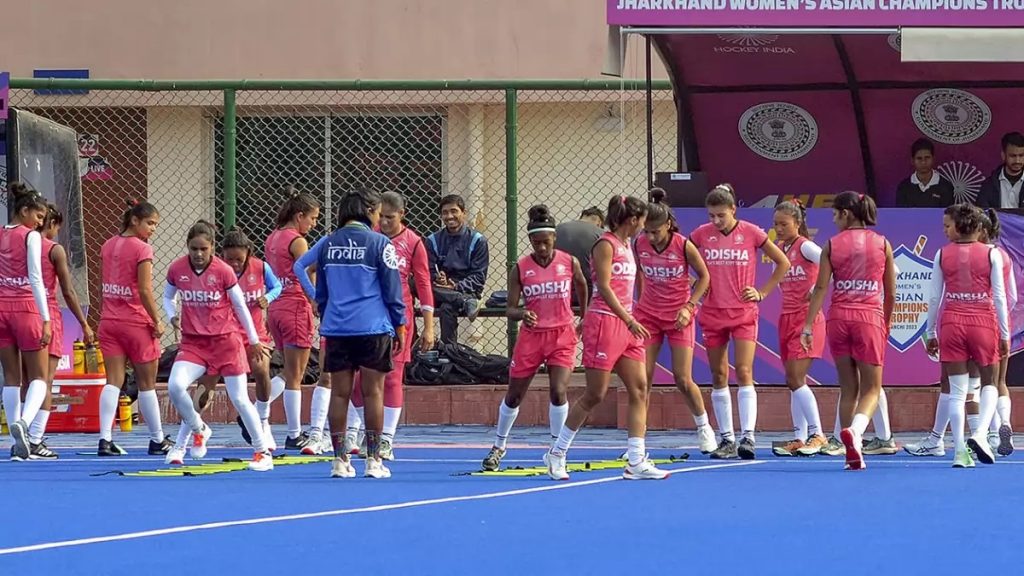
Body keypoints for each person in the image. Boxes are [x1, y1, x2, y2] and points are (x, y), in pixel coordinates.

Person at [545, 194, 669, 481]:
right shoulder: (605, 245)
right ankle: (557, 452)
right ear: (633, 219)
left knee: (639, 389)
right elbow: (603, 286)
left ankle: (636, 460)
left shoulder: (630, 245)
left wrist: (633, 318)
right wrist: (628, 319)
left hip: (628, 327)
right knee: (595, 394)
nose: (644, 227)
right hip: (606, 324)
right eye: (642, 221)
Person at [295, 188, 407, 479]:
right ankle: (373, 460)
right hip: (372, 328)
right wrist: (400, 324)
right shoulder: (381, 243)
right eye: (378, 213)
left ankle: (339, 460)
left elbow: (309, 276)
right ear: (369, 211)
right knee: (373, 393)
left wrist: (321, 305)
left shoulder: (328, 243)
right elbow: (392, 290)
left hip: (337, 329)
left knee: (340, 394)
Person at [482, 205, 588, 472]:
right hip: (532, 337)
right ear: (530, 241)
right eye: (536, 242)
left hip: (562, 334)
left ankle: (555, 450)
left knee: (559, 390)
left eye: (546, 242)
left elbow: (582, 284)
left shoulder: (568, 261)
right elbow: (510, 308)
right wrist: (522, 314)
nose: (542, 248)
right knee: (515, 395)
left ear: (554, 239)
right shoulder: (521, 268)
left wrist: (584, 317)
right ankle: (499, 445)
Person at [690, 184, 790, 460]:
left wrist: (762, 292)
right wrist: (695, 284)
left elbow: (782, 262)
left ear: (733, 210)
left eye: (721, 215)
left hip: (743, 313)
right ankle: (726, 439)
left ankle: (748, 436)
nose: (716, 221)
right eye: (711, 215)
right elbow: (682, 258)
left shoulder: (751, 232)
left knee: (744, 370)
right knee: (718, 374)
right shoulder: (700, 234)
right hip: (712, 313)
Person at [162, 221, 272, 471]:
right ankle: (198, 430)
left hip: (226, 343)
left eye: (203, 249)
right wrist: (172, 315)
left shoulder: (223, 271)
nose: (198, 254)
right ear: (187, 247)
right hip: (194, 344)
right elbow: (168, 296)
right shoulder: (177, 269)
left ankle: (262, 451)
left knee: (240, 399)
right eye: (194, 249)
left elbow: (240, 307)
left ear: (212, 248)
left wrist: (254, 340)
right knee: (176, 387)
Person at [801, 191, 896, 470]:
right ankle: (855, 432)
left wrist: (808, 325)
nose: (833, 219)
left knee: (848, 388)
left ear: (846, 213)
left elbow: (820, 287)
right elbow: (890, 292)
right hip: (869, 318)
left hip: (838, 319)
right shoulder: (882, 243)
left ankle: (849, 453)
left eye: (834, 214)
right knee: (872, 388)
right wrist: (885, 322)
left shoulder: (832, 244)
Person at [346, 191, 436, 461]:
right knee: (358, 378)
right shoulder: (369, 237)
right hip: (367, 314)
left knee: (393, 377)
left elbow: (423, 284)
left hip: (398, 316)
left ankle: (385, 439)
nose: (384, 222)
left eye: (390, 217)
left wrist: (429, 326)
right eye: (381, 216)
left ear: (401, 215)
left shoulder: (414, 242)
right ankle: (363, 430)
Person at [632, 189, 716, 455]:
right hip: (648, 317)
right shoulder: (638, 243)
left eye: (655, 231)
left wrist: (689, 306)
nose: (651, 237)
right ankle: (638, 443)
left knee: (682, 378)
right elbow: (639, 276)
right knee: (641, 380)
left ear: (667, 225)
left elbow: (704, 277)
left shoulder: (683, 245)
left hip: (679, 316)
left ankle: (704, 428)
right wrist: (638, 303)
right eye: (646, 231)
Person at [923, 204, 1007, 467]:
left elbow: (935, 296)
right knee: (989, 382)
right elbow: (1000, 297)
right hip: (983, 322)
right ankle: (981, 434)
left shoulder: (941, 254)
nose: (945, 230)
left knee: (957, 393)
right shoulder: (992, 253)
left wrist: (930, 331)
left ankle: (960, 449)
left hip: (952, 322)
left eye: (948, 225)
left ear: (960, 226)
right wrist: (1004, 333)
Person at [14, 203, 95, 461]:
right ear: (52, 224)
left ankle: (22, 438)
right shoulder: (53, 249)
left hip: (17, 310)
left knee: (25, 381)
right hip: (44, 312)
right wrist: (84, 323)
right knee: (45, 380)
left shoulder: (18, 243)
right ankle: (35, 438)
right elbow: (69, 292)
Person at [192, 228, 284, 453]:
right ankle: (193, 428)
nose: (234, 264)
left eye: (239, 260)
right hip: (223, 334)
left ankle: (263, 421)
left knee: (262, 370)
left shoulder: (261, 267)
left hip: (253, 334)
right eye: (229, 259)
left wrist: (268, 297)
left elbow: (278, 287)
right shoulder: (214, 272)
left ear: (249, 254)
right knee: (207, 384)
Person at [96, 200, 171, 457]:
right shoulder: (142, 249)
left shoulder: (107, 245)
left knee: (113, 380)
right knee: (147, 383)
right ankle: (157, 439)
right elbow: (144, 289)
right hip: (136, 322)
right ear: (135, 221)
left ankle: (105, 438)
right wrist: (157, 319)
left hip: (109, 320)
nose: (153, 229)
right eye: (150, 223)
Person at [768, 200, 828, 457]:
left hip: (807, 320)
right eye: (775, 224)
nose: (779, 229)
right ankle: (800, 437)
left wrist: (816, 289)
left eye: (784, 224)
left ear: (798, 223)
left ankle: (818, 434)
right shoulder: (780, 249)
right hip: (786, 318)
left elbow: (830, 263)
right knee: (792, 381)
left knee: (795, 378)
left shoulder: (806, 246)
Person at [265, 188, 321, 452]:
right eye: (312, 218)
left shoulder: (272, 237)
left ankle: (255, 412)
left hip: (275, 308)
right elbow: (307, 270)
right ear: (300, 216)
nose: (313, 224)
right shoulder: (297, 241)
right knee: (296, 375)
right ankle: (294, 432)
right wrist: (315, 298)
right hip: (295, 306)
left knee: (289, 370)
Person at [0, 183, 53, 461]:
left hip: (1, 307)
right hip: (26, 308)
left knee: (11, 377)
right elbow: (35, 277)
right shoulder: (31, 237)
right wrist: (46, 319)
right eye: (39, 216)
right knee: (40, 377)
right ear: (24, 211)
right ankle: (25, 422)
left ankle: (14, 439)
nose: (40, 222)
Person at [426, 194, 489, 344]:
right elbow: (428, 271)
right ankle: (464, 302)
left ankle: (449, 353)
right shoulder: (432, 240)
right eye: (445, 212)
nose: (449, 216)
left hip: (467, 291)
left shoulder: (478, 240)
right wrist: (437, 277)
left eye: (454, 211)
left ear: (464, 213)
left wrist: (455, 285)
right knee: (414, 281)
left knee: (447, 307)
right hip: (439, 292)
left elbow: (479, 277)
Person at [980, 209, 1017, 456]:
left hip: (979, 322)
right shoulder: (1004, 256)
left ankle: (991, 433)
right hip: (1002, 324)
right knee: (1001, 381)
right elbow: (1012, 296)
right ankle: (1005, 424)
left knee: (984, 384)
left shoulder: (976, 254)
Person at [554, 206, 604, 299]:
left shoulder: (557, 229)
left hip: (558, 289)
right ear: (599, 222)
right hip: (589, 292)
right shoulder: (601, 234)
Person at [895, 138, 955, 208]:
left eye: (927, 158)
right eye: (919, 158)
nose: (923, 162)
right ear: (912, 160)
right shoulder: (903, 187)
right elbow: (901, 216)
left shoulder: (946, 186)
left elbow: (949, 217)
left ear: (933, 159)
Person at [976, 132, 1024, 208]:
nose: (1017, 161)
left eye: (1021, 156)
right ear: (1003, 156)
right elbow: (982, 215)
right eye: (1013, 156)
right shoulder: (988, 185)